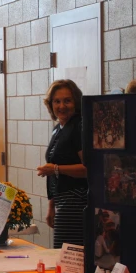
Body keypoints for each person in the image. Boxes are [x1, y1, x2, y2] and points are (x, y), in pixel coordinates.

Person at [36, 79, 88, 248]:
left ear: (76, 102)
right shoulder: (58, 128)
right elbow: (53, 171)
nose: (61, 106)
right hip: (62, 201)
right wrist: (51, 206)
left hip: (76, 201)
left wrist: (56, 169)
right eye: (57, 101)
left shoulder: (79, 127)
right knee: (61, 252)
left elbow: (89, 169)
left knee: (69, 254)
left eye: (67, 100)